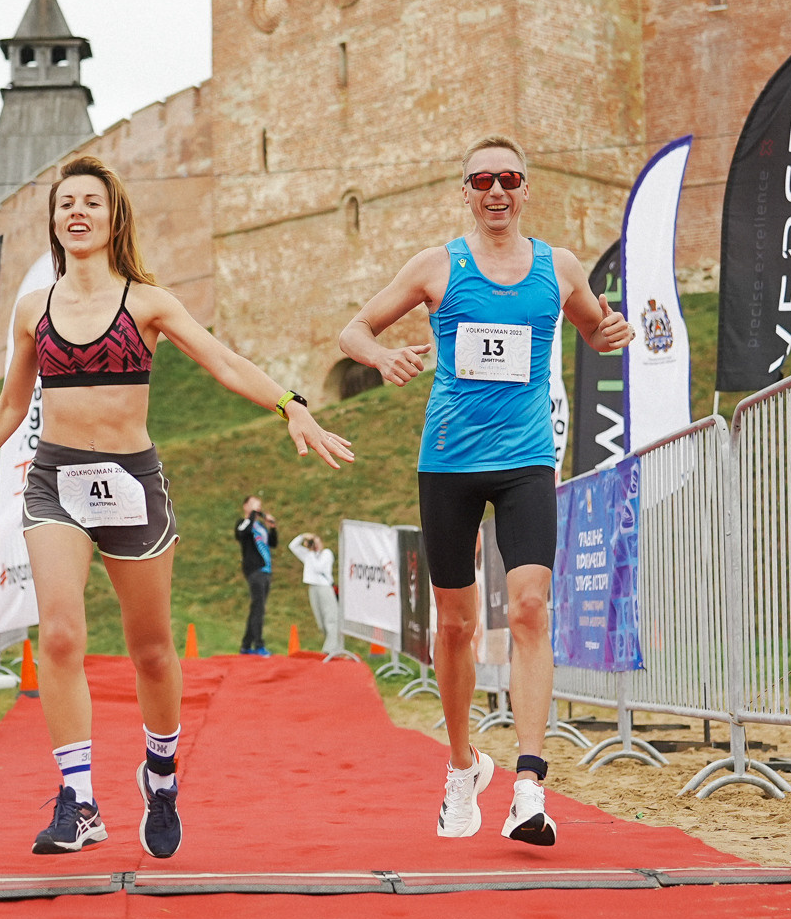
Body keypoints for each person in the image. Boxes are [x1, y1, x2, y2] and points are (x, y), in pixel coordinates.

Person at [0, 155, 353, 857]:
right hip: (55, 482)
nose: (77, 212)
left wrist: (292, 405)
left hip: (131, 485)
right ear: (55, 221)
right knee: (59, 637)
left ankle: (161, 775)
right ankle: (78, 800)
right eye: (66, 203)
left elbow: (224, 362)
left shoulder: (148, 303)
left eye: (91, 203)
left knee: (151, 651)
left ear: (113, 220)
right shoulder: (32, 311)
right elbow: (11, 406)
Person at [338, 134, 632, 845]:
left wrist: (611, 332)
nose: (495, 191)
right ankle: (463, 766)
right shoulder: (438, 265)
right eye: (481, 181)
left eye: (508, 179)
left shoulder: (559, 268)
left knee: (531, 607)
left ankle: (529, 785)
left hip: (527, 459)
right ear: (463, 192)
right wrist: (380, 355)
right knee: (458, 625)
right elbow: (355, 329)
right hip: (447, 463)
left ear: (527, 189)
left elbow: (594, 329)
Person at [235, 496, 277, 655]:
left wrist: (272, 527)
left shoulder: (259, 526)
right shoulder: (243, 523)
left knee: (257, 608)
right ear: (245, 506)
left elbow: (272, 543)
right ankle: (259, 644)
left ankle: (246, 645)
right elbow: (242, 533)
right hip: (254, 570)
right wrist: (253, 514)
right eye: (254, 504)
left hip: (266, 570)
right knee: (258, 608)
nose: (258, 508)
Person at [290, 531, 341, 656]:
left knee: (331, 619)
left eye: (317, 541)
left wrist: (312, 552)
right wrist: (303, 536)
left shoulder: (326, 554)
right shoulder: (309, 555)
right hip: (313, 588)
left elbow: (319, 568)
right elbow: (293, 546)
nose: (315, 544)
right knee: (321, 621)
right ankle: (334, 647)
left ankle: (330, 650)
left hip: (324, 587)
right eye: (314, 542)